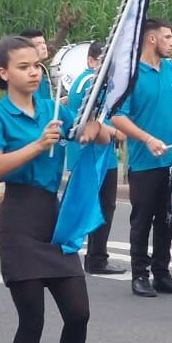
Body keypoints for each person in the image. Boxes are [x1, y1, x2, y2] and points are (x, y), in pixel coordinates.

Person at [0, 35, 107, 343]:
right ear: (4, 73)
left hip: (54, 216)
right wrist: (37, 145)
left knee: (78, 313)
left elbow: (99, 137)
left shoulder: (54, 109)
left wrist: (92, 128)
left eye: (36, 65)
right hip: (19, 216)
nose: (33, 72)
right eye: (23, 67)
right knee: (31, 318)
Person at [110, 18, 172, 298]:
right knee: (142, 219)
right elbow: (117, 116)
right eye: (168, 37)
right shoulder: (131, 75)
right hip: (144, 161)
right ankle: (139, 274)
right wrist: (147, 139)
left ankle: (162, 273)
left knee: (168, 218)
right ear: (151, 39)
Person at [67, 42, 126, 275]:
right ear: (91, 61)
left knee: (104, 205)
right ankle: (93, 256)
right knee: (92, 204)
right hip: (90, 154)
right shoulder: (89, 82)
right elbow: (87, 119)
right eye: (104, 62)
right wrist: (115, 132)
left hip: (103, 154)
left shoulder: (99, 83)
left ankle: (96, 256)